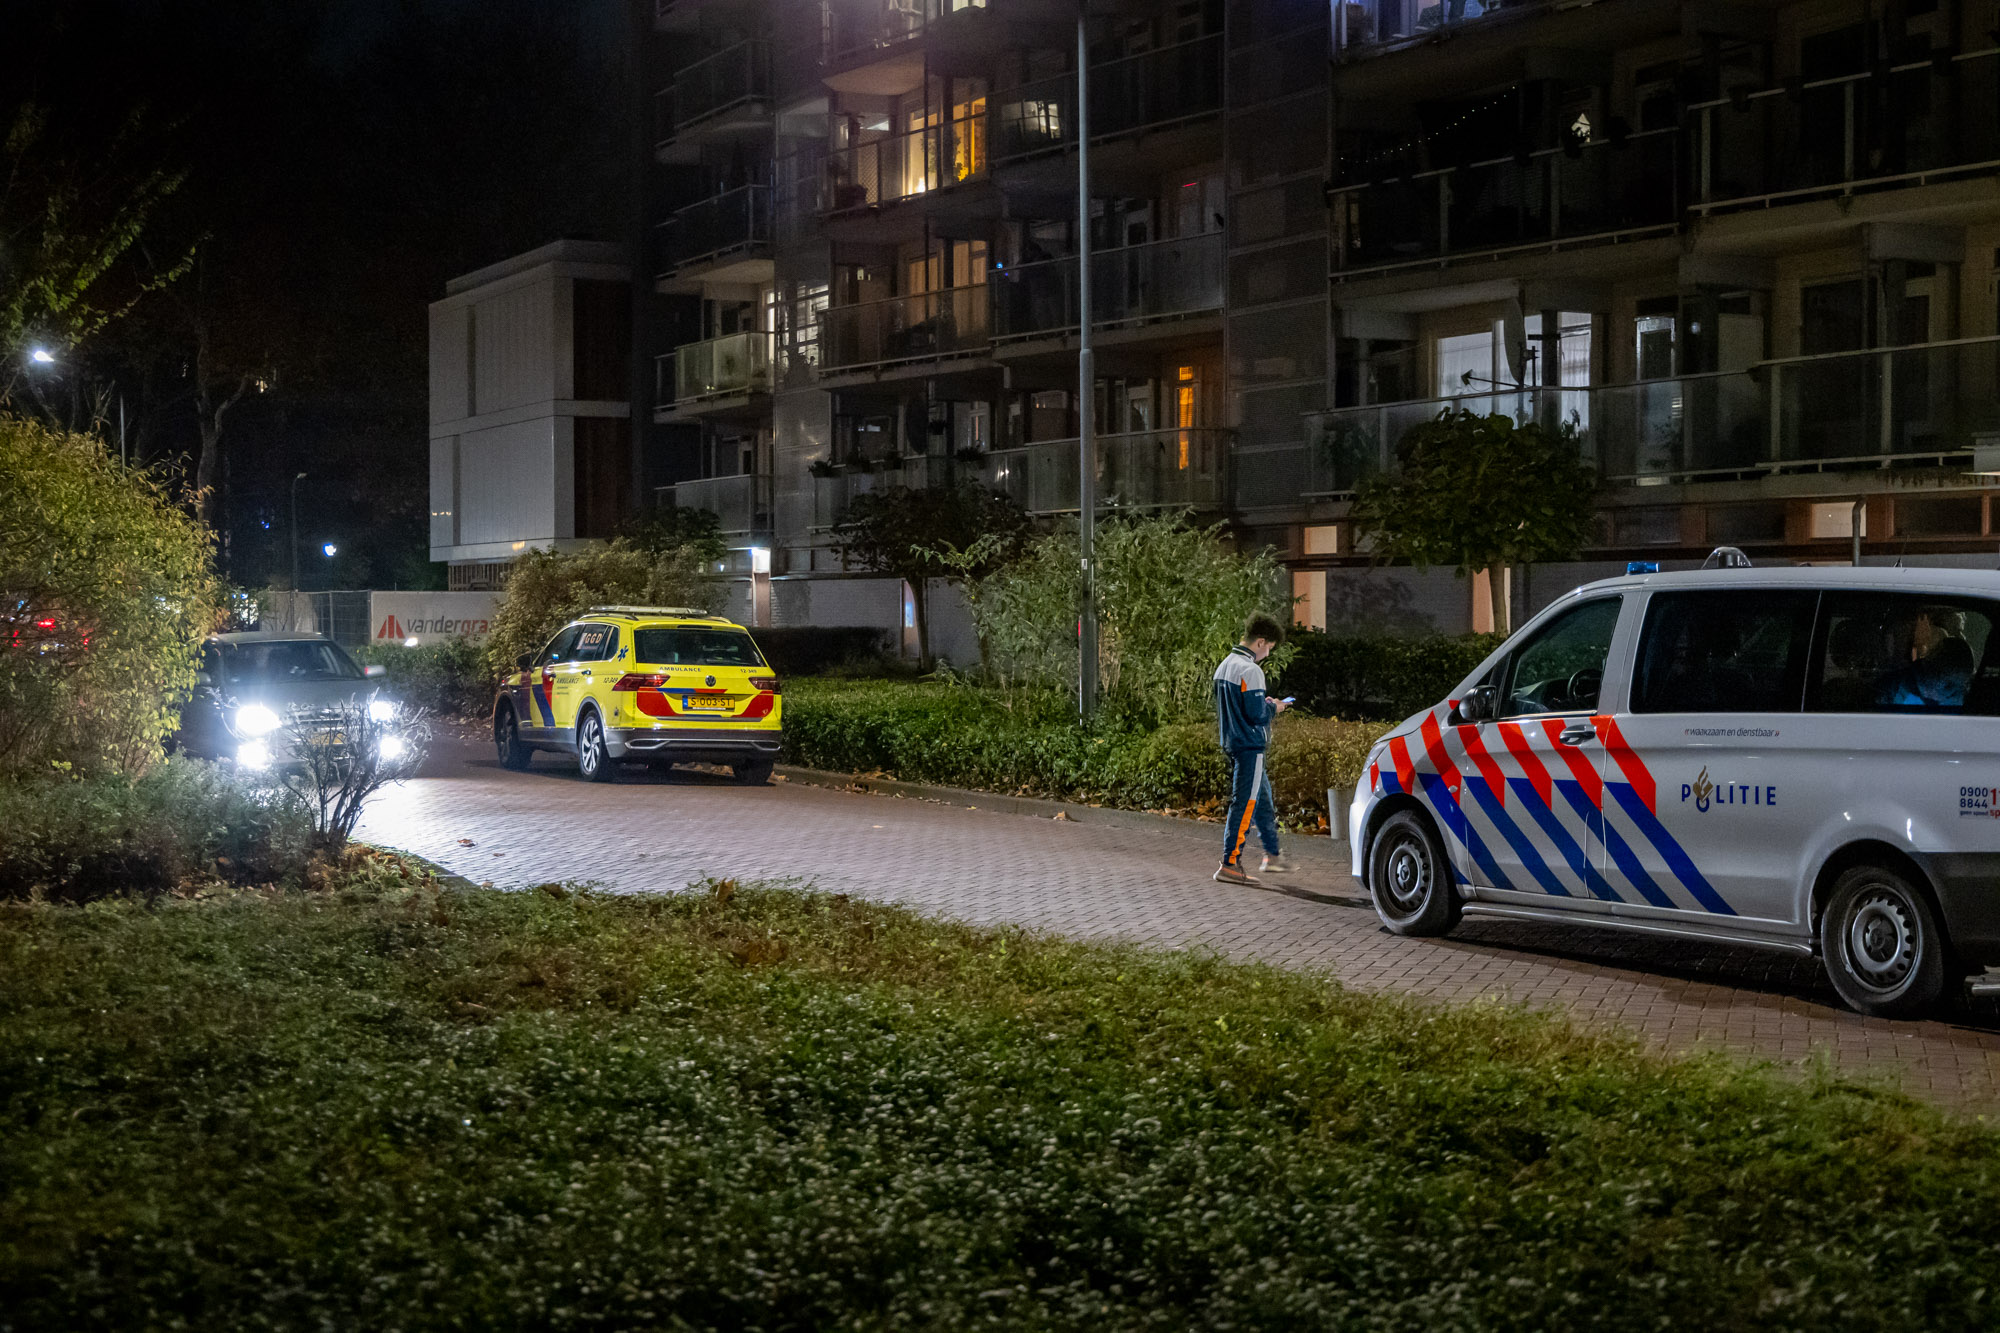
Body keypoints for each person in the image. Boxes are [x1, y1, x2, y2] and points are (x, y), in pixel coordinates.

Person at [1212, 613, 1292, 885]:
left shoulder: (1224, 666)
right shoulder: (1251, 670)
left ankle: (1272, 855)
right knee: (1245, 804)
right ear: (1260, 642)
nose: (1267, 653)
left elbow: (1238, 708)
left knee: (1262, 802)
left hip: (1234, 743)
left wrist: (1261, 703)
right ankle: (1230, 863)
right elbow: (1257, 714)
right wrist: (1275, 706)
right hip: (1250, 747)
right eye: (1269, 647)